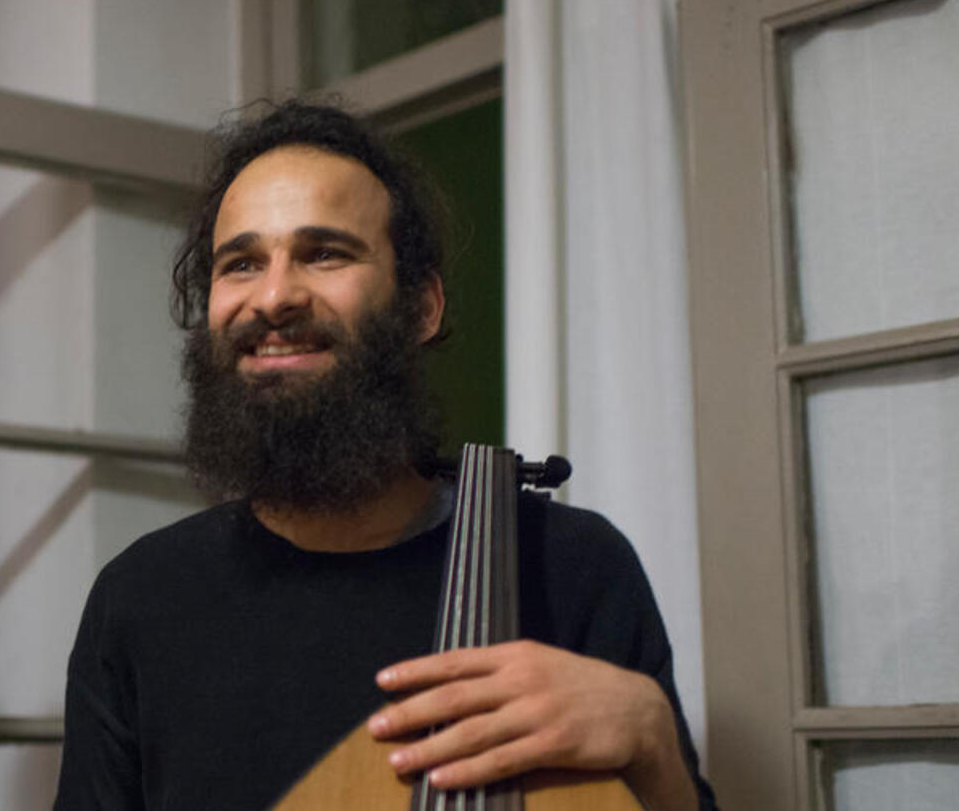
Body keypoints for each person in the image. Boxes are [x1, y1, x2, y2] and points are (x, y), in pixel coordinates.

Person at [54, 101, 717, 810]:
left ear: (420, 307)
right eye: (241, 262)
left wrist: (652, 741)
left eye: (325, 253)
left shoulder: (574, 566)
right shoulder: (141, 597)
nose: (275, 295)